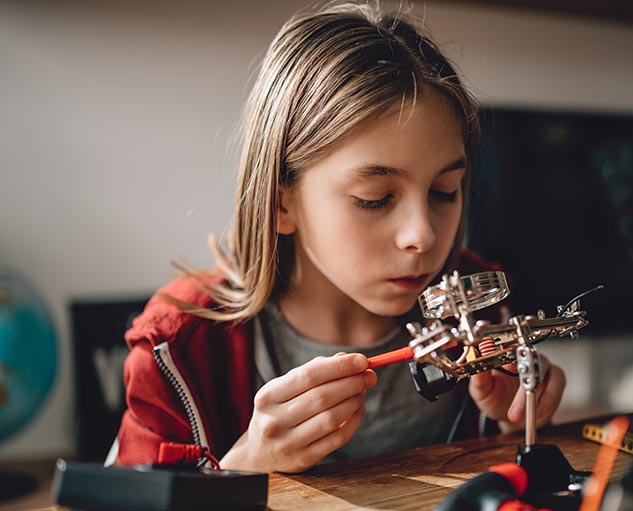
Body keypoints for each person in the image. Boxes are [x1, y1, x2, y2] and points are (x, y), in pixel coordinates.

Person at [115, 1, 566, 473]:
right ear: (282, 203)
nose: (423, 235)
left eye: (443, 191)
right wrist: (241, 468)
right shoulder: (178, 346)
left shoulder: (478, 300)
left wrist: (520, 425)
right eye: (374, 198)